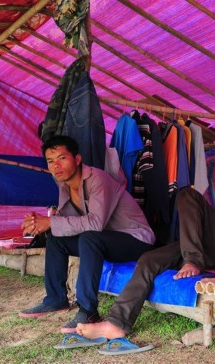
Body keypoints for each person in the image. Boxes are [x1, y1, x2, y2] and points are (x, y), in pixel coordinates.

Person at [76, 187, 215, 340]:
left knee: (187, 194)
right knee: (149, 260)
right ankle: (117, 322)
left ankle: (192, 260)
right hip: (201, 246)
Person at [19, 135, 155, 333]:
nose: (56, 165)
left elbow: (95, 223)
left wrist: (51, 222)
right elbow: (67, 220)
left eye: (62, 158)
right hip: (106, 239)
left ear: (77, 159)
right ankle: (56, 299)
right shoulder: (64, 185)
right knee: (57, 238)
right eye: (50, 161)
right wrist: (40, 222)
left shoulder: (97, 179)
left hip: (135, 239)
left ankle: (88, 311)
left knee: (89, 237)